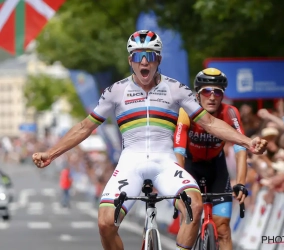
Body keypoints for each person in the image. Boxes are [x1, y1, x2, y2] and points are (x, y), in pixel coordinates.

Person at [32, 30, 267, 250]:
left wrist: (246, 141)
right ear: (130, 60)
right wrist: (51, 153)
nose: (144, 62)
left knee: (194, 206)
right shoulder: (116, 91)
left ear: (159, 60)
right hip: (129, 165)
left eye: (150, 56)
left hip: (165, 164)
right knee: (105, 224)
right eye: (138, 56)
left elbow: (211, 123)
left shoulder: (176, 89)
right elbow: (85, 126)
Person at [173, 68, 249, 250]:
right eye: (207, 91)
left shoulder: (230, 113)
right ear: (198, 95)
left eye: (218, 92)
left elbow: (241, 149)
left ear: (223, 96)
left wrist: (240, 182)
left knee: (223, 228)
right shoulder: (186, 112)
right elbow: (179, 150)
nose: (212, 97)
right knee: (190, 219)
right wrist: (179, 184)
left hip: (217, 168)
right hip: (190, 166)